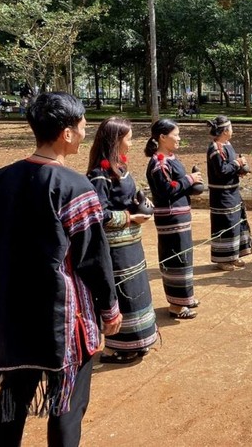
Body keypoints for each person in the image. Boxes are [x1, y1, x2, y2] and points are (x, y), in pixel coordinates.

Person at [0, 92, 121, 446]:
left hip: (11, 316)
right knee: (67, 404)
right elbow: (94, 259)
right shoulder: (74, 187)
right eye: (82, 127)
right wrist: (109, 309)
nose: (85, 133)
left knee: (12, 398)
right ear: (66, 133)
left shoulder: (2, 179)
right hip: (63, 321)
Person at [87, 117, 158, 364]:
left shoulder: (120, 167)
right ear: (116, 140)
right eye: (128, 138)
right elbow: (99, 214)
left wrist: (142, 200)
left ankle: (137, 340)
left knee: (135, 290)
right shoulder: (99, 175)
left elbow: (129, 195)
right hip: (116, 247)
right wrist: (131, 216)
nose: (131, 142)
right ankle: (118, 347)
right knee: (123, 291)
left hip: (132, 243)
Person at [145, 119, 203, 319]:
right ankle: (176, 306)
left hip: (179, 218)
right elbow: (166, 191)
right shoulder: (159, 163)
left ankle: (184, 298)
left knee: (184, 257)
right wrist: (190, 179)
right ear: (162, 137)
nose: (179, 138)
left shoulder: (170, 158)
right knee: (176, 258)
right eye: (175, 134)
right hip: (171, 220)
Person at [206, 115, 252, 271]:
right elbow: (221, 171)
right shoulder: (215, 148)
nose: (233, 130)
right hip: (221, 195)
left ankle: (233, 255)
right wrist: (237, 163)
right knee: (224, 224)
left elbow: (229, 169)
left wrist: (239, 170)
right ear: (225, 130)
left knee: (234, 222)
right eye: (231, 127)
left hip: (232, 191)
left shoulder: (227, 145)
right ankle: (222, 259)